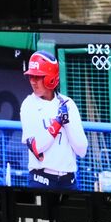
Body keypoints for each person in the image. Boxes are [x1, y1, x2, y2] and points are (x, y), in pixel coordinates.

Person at [19, 51, 87, 191]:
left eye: (37, 76)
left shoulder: (68, 104)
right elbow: (37, 148)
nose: (32, 81)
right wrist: (58, 122)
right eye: (31, 76)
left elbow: (82, 150)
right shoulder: (28, 104)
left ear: (50, 78)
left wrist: (66, 122)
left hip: (69, 181)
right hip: (40, 180)